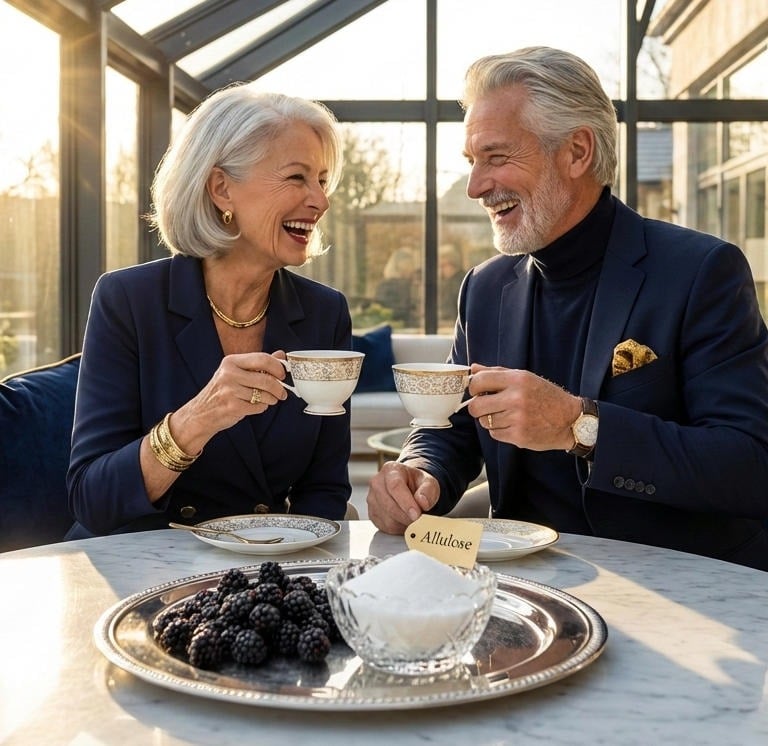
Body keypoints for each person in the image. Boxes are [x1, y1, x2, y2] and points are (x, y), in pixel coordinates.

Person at [367, 46, 768, 570]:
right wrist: (420, 471)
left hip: (676, 588)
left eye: (497, 157)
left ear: (577, 151)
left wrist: (579, 426)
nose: (475, 187)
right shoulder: (484, 288)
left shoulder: (702, 272)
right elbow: (454, 426)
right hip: (521, 584)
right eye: (472, 161)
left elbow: (749, 464)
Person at [67, 86, 353, 536]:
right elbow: (93, 500)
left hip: (265, 572)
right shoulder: (127, 300)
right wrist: (199, 417)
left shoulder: (325, 312)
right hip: (137, 562)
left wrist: (285, 570)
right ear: (221, 188)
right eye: (297, 178)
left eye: (321, 179)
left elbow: (326, 489)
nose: (321, 199)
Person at [375, 246, 417, 326]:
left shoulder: (412, 284)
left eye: (411, 263)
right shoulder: (386, 285)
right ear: (398, 265)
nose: (411, 267)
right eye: (407, 263)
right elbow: (383, 308)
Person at [438, 244, 464, 323]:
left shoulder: (460, 281)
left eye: (443, 265)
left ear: (453, 263)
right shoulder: (443, 281)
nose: (441, 269)